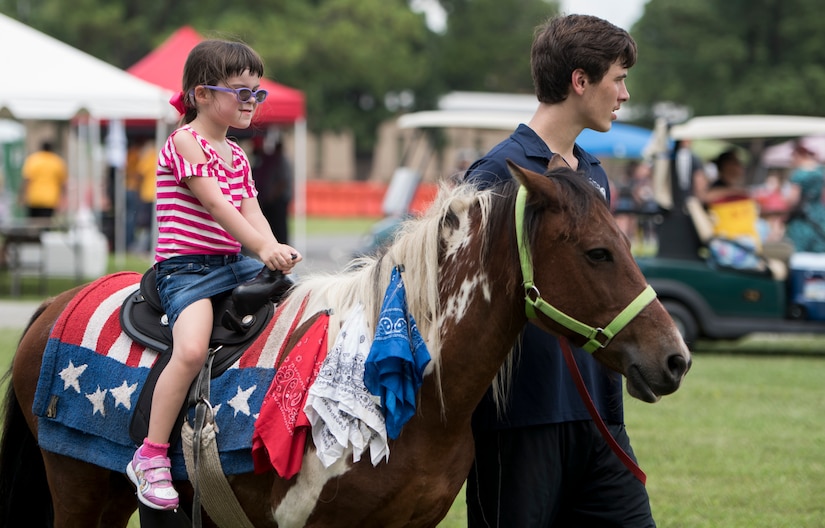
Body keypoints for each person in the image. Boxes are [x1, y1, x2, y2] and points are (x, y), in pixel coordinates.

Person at [463, 14, 655, 527]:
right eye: (618, 78)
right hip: (521, 423)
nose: (624, 94)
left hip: (600, 415)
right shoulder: (494, 174)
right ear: (580, 81)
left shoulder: (592, 173)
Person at [126, 38, 302, 511]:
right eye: (240, 91)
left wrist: (273, 250)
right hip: (187, 270)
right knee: (190, 349)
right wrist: (263, 246)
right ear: (201, 95)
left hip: (231, 263)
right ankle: (152, 454)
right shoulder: (186, 140)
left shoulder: (239, 157)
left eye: (256, 93)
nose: (251, 101)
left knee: (301, 306)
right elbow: (216, 204)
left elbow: (251, 210)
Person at [656, 138, 708, 260]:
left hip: (670, 207)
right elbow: (699, 183)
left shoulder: (667, 157)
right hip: (687, 207)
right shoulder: (692, 158)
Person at [784, 142, 825, 252]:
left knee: (799, 253)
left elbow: (793, 199)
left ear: (798, 155)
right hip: (819, 215)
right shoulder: (820, 171)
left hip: (802, 218)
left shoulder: (799, 174)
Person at [252, 134, 292, 244]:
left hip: (278, 199)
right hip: (273, 198)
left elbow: (282, 182)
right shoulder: (272, 160)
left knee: (279, 227)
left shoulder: (281, 161)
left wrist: (272, 195)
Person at [19, 140, 67, 218]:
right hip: (50, 199)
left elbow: (27, 180)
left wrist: (22, 196)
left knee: (33, 223)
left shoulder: (33, 160)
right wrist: (63, 199)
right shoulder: (57, 162)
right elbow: (63, 183)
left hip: (34, 198)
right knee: (45, 224)